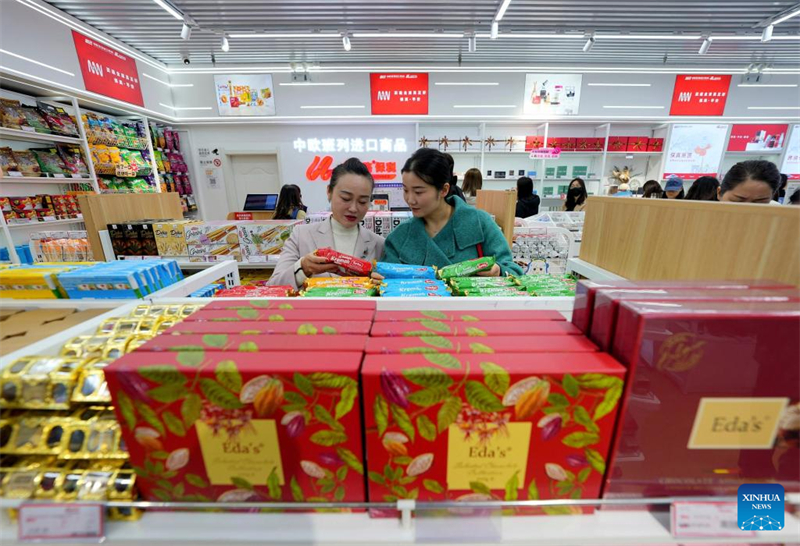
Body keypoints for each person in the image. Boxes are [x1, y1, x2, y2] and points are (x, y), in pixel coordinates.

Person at [380, 148, 522, 277]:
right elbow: (387, 285)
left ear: (443, 190)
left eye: (418, 192)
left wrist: (498, 271)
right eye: (405, 190)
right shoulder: (399, 237)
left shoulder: (480, 223)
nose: (410, 200)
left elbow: (514, 272)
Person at [269, 158, 385, 289]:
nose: (353, 208)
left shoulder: (379, 244)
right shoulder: (301, 235)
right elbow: (274, 287)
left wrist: (379, 287)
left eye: (363, 201)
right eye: (345, 198)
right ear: (329, 192)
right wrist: (303, 268)